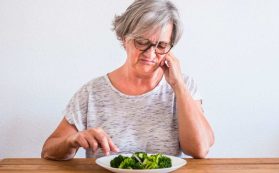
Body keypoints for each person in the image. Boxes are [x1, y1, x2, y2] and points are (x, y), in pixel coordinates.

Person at [41, 0, 214, 160]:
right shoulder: (92, 92)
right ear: (124, 39)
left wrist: (178, 87)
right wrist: (73, 140)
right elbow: (48, 150)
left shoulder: (183, 85)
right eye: (141, 42)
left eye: (161, 46)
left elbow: (200, 149)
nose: (150, 53)